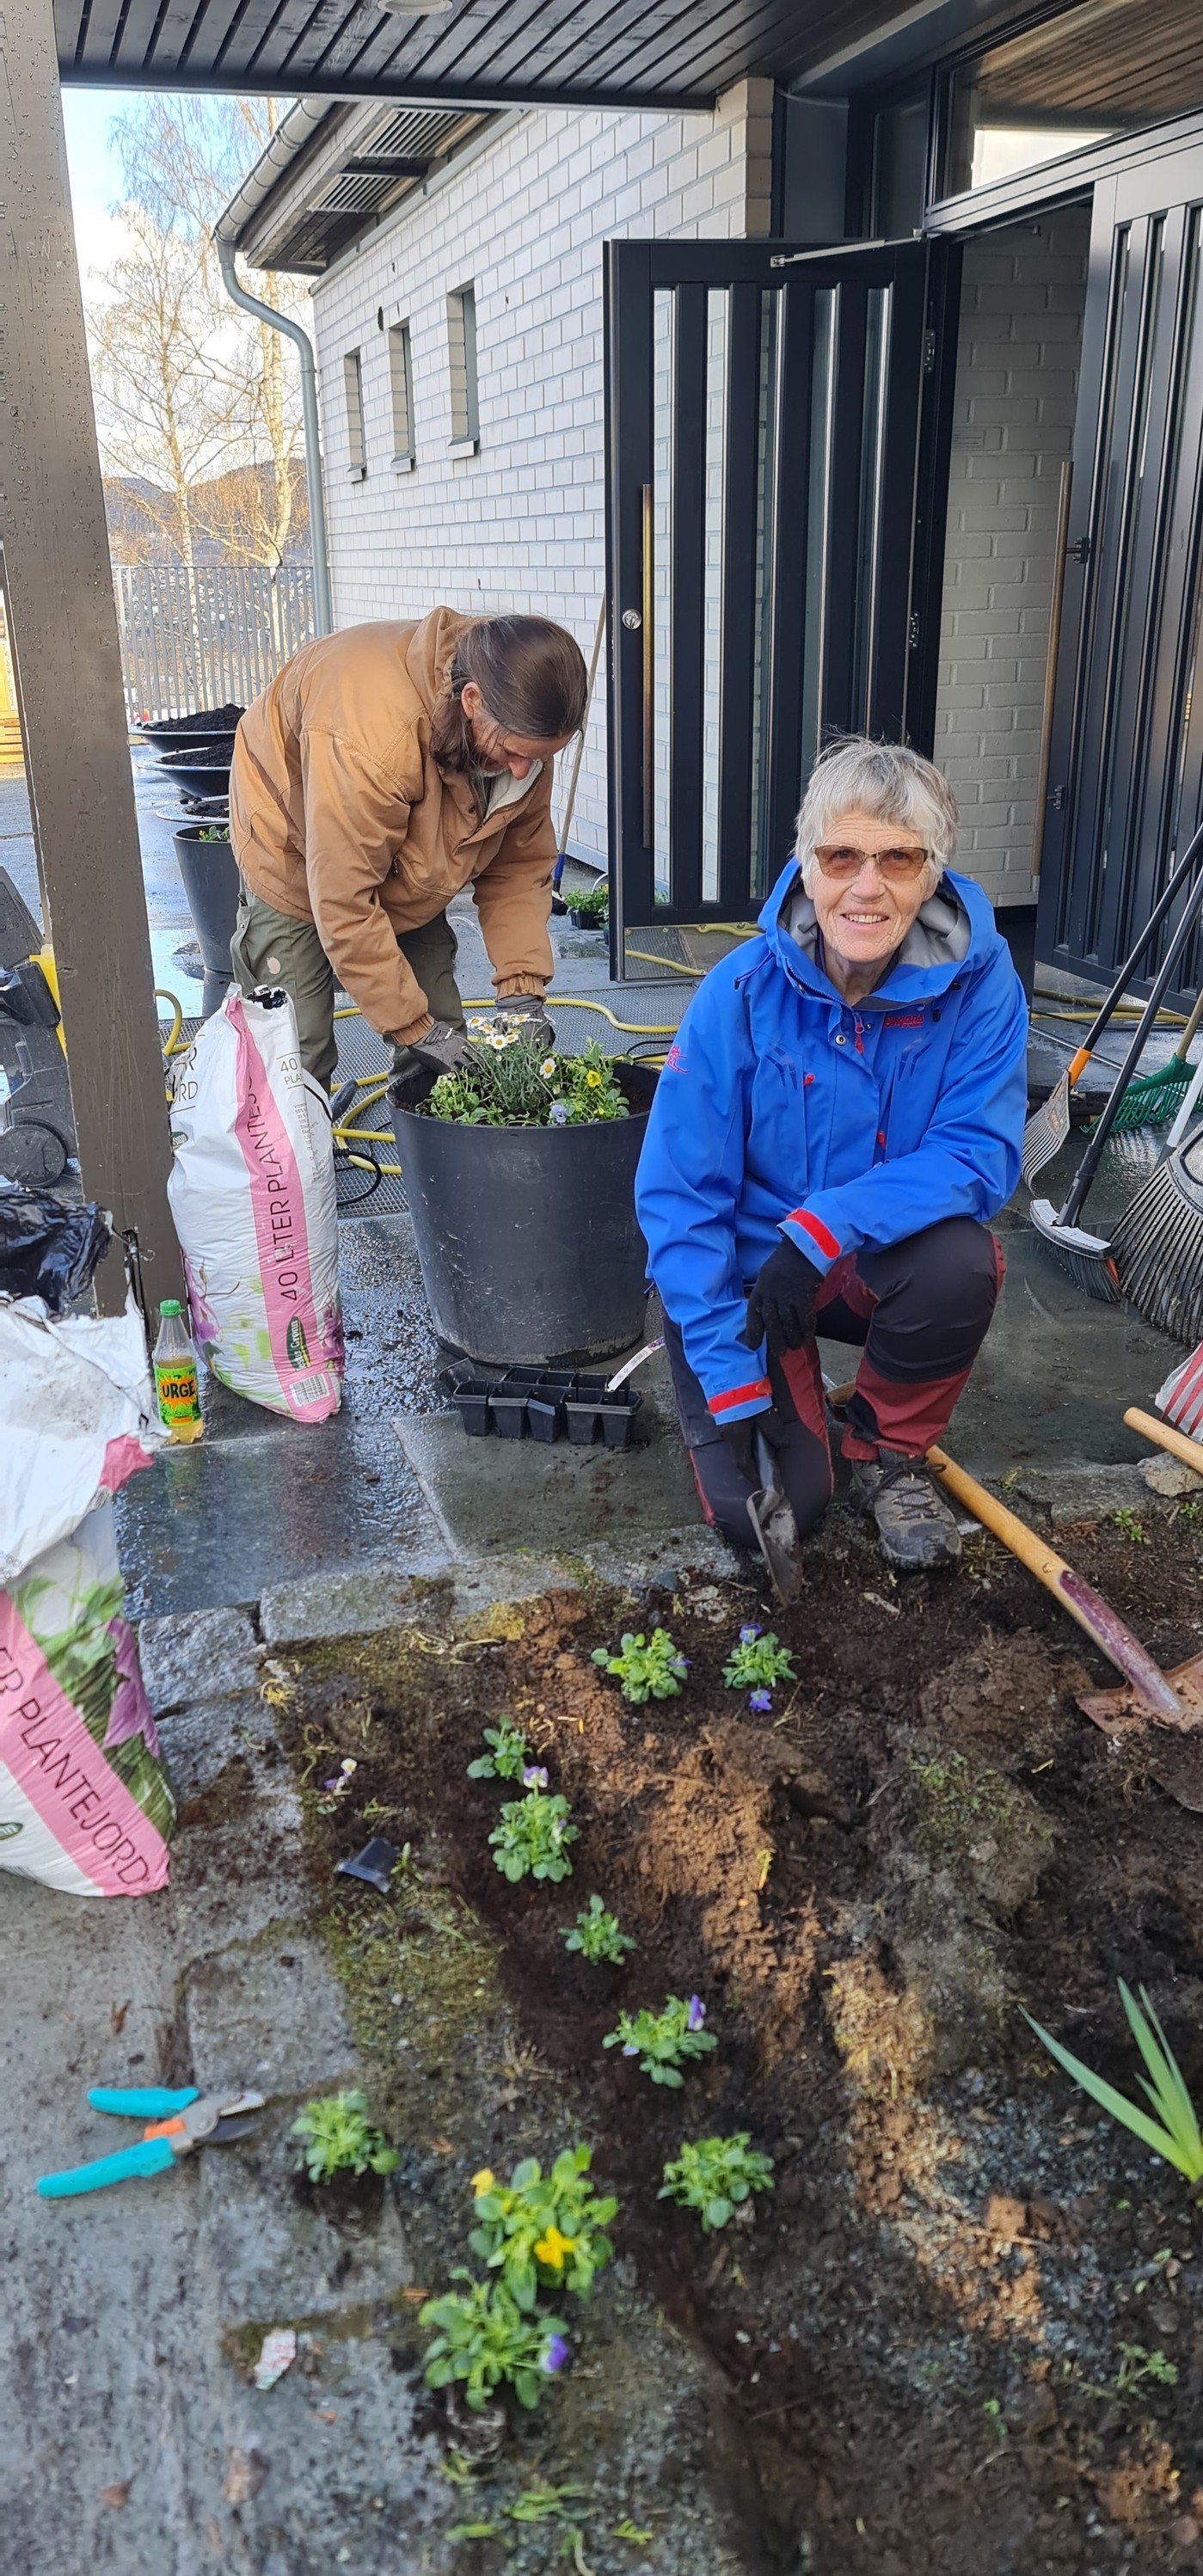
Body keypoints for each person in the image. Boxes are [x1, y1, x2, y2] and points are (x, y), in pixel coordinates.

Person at [635, 736, 1028, 1572]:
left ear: (931, 874)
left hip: (863, 1262)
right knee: (777, 1512)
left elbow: (978, 1152)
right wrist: (730, 1378)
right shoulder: (739, 991)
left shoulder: (981, 984)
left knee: (960, 1262)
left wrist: (821, 1230)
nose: (866, 885)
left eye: (897, 859)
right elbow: (681, 1194)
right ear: (806, 867)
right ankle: (753, 1365)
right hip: (749, 1278)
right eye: (840, 856)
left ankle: (887, 1453)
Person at [227, 609, 588, 1089]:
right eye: (513, 753)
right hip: (290, 838)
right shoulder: (374, 737)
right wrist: (413, 1028)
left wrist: (522, 989)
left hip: (403, 848)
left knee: (442, 1033)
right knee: (297, 1056)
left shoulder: (519, 719)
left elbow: (518, 867)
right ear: (472, 700)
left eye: (540, 757)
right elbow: (344, 899)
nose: (523, 770)